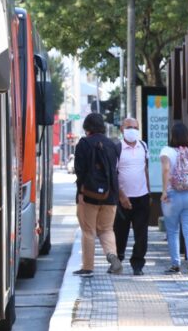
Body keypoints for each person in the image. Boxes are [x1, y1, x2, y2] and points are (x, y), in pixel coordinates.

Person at [73, 112, 121, 277]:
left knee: (88, 231)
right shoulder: (112, 145)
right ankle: (112, 256)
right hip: (110, 195)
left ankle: (88, 267)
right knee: (107, 229)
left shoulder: (84, 144)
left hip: (88, 195)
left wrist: (80, 192)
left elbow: (80, 171)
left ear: (87, 128)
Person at [161, 122, 188, 276]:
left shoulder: (166, 151)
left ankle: (175, 264)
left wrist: (164, 191)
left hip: (173, 196)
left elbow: (166, 169)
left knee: (172, 231)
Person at [114, 117, 150, 276]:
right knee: (120, 233)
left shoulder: (143, 146)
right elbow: (113, 175)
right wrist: (121, 196)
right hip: (122, 198)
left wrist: (148, 192)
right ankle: (117, 261)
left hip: (141, 197)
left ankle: (138, 264)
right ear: (122, 129)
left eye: (135, 127)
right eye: (129, 127)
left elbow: (146, 170)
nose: (132, 130)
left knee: (141, 234)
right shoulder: (117, 148)